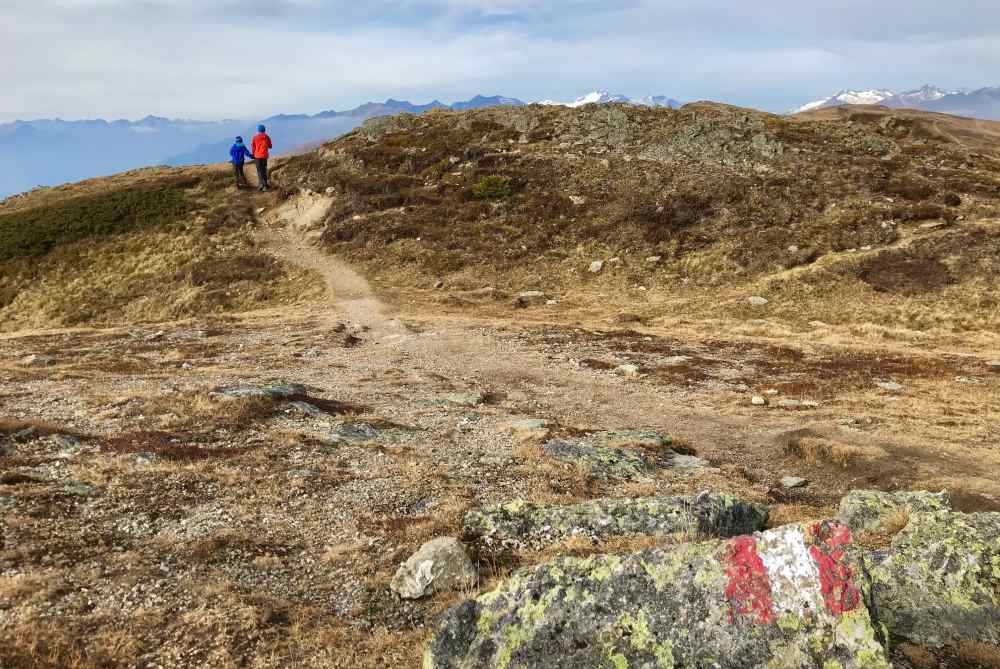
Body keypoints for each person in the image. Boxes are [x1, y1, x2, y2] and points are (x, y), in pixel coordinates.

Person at [251, 124, 273, 192]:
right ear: (264, 130)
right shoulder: (267, 137)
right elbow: (270, 146)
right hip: (264, 156)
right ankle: (265, 185)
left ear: (258, 130)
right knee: (264, 170)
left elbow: (253, 147)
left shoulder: (255, 138)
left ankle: (261, 185)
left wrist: (253, 154)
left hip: (257, 156)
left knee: (259, 171)